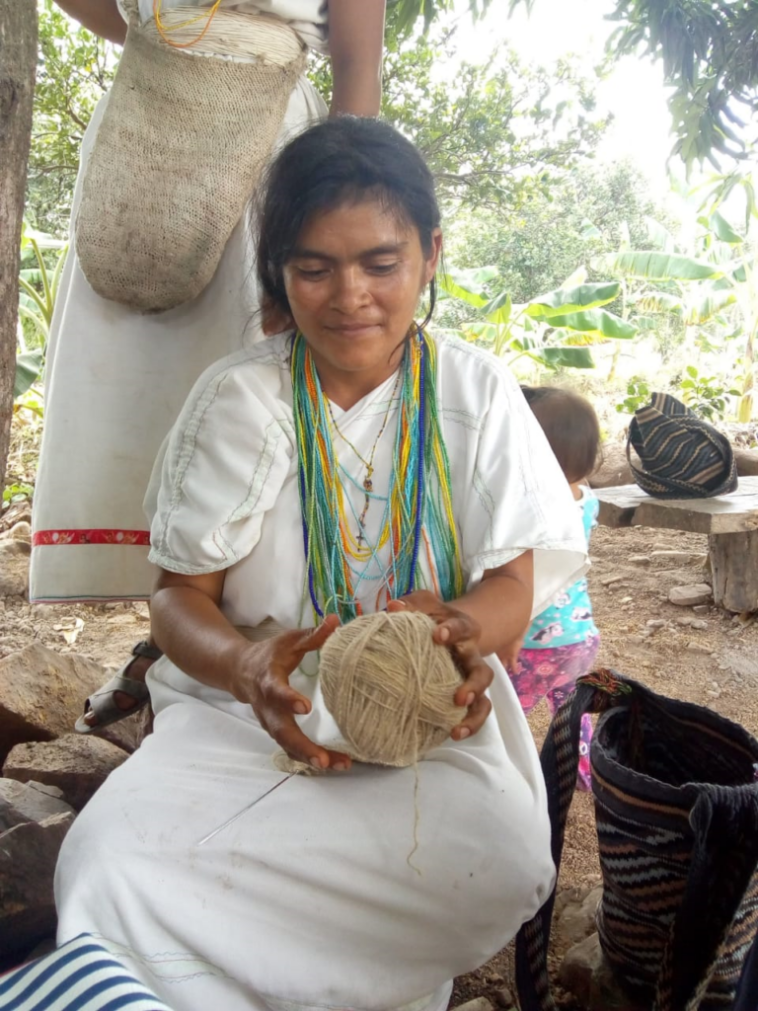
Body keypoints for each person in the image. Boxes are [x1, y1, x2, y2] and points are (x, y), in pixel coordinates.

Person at [55, 118, 589, 1011]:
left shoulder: (475, 390)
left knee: (498, 862)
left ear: (430, 254)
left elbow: (513, 583)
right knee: (110, 865)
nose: (350, 296)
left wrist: (462, 633)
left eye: (381, 263)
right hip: (244, 721)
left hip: (428, 727)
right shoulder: (237, 397)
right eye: (313, 267)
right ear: (279, 274)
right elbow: (178, 600)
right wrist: (245, 664)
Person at [34, 0, 386, 731]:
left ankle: (234, 650)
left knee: (246, 397)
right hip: (147, 132)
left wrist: (323, 210)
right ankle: (164, 640)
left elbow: (358, 59)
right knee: (140, 398)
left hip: (269, 153)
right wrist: (165, 33)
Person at [503, 386, 601, 790]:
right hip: (578, 637)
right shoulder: (586, 498)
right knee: (571, 712)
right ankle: (585, 772)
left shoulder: (530, 507)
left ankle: (510, 778)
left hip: (530, 642)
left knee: (506, 714)